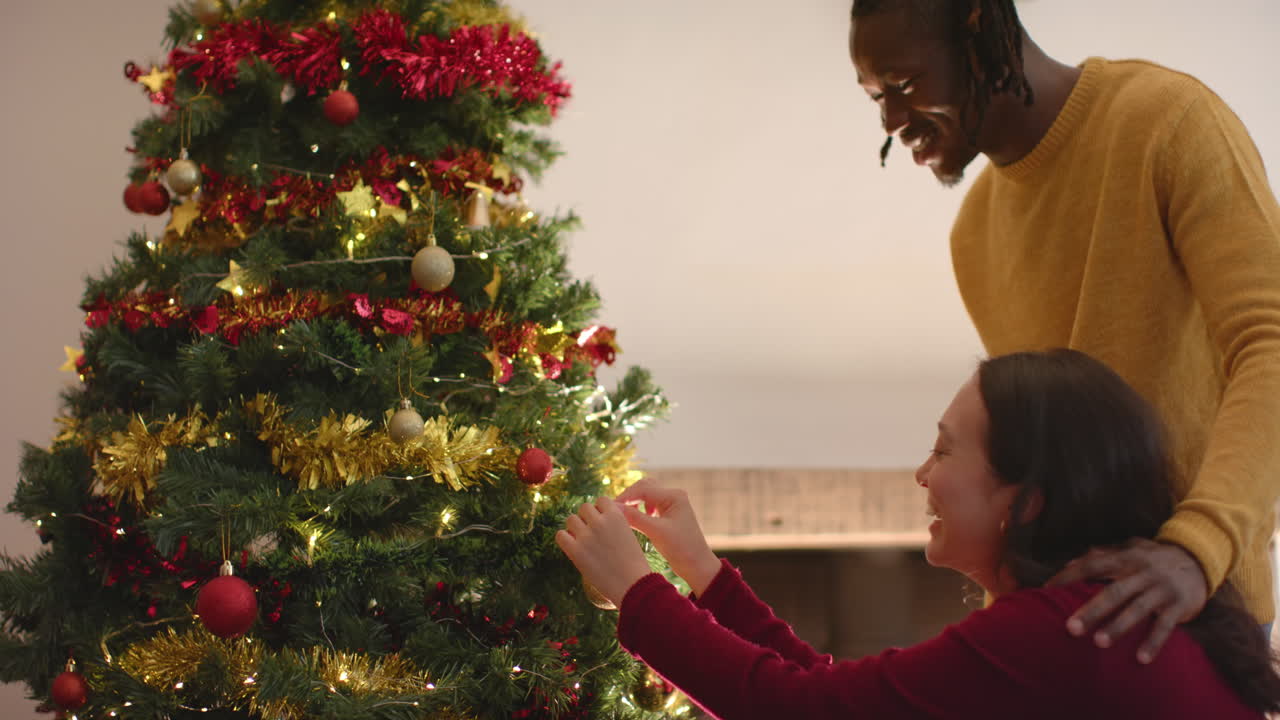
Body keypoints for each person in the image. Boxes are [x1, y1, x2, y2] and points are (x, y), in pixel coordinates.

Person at [847, 0, 1280, 660]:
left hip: (1196, 616)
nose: (890, 121)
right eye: (876, 97)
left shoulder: (1168, 122)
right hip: (1063, 635)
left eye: (903, 85)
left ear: (978, 30)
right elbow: (1034, 461)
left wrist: (1197, 548)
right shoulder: (975, 231)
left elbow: (1271, 345)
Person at [557, 349, 1280, 719]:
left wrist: (639, 592)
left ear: (1024, 499)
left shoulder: (1065, 633)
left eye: (944, 449)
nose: (922, 474)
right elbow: (836, 696)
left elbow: (799, 715)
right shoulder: (1084, 621)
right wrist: (704, 575)